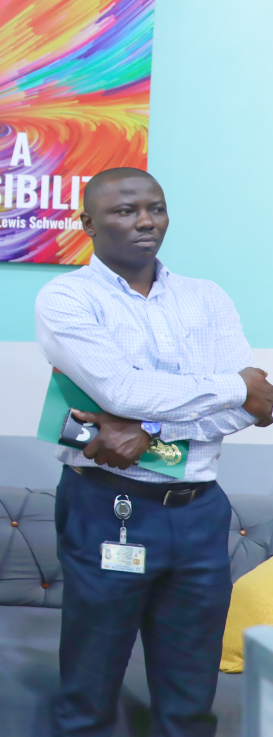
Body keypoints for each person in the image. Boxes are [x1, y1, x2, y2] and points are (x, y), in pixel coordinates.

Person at [35, 167, 273, 737]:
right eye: (125, 210)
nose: (145, 221)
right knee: (89, 697)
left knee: (190, 699)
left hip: (199, 510)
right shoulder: (67, 297)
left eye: (156, 208)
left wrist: (147, 426)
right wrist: (233, 385)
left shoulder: (206, 298)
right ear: (87, 222)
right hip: (108, 508)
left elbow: (256, 406)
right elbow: (124, 390)